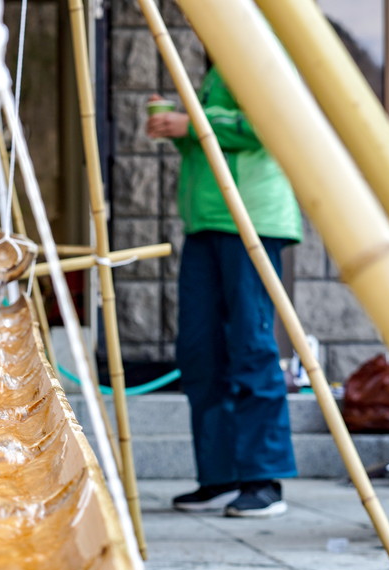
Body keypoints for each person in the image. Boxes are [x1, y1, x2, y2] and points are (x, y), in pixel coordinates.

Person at [146, 67, 301, 518]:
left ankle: (263, 479)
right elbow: (214, 138)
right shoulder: (218, 69)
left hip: (251, 219)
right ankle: (219, 475)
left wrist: (190, 125)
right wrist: (179, 128)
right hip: (206, 222)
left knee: (250, 344)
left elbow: (267, 125)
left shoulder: (255, 44)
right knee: (199, 351)